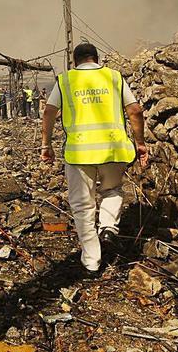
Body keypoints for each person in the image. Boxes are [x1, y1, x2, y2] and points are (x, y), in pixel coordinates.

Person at [41, 43, 149, 276]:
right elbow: (135, 110)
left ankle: (92, 261)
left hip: (79, 153)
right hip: (114, 150)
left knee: (82, 205)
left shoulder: (66, 80)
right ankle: (108, 228)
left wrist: (46, 144)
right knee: (112, 191)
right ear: (97, 59)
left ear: (75, 60)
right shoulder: (114, 77)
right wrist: (140, 143)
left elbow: (49, 111)